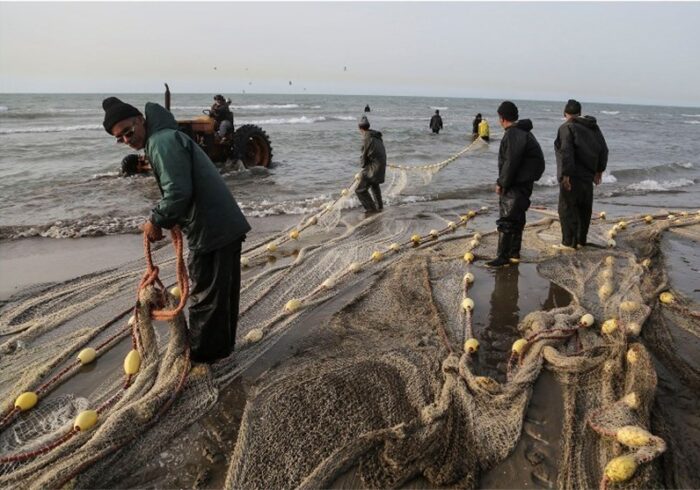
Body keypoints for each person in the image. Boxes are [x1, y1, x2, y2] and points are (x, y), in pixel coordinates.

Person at [102, 96, 251, 363]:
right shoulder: (164, 136)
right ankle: (221, 352)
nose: (126, 139)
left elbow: (178, 192)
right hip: (222, 225)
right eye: (119, 138)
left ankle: (201, 359)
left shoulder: (160, 142)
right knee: (220, 296)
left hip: (212, 229)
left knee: (206, 297)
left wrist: (156, 220)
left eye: (128, 131)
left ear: (140, 120)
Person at [486, 101, 545, 268]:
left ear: (502, 118)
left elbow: (510, 162)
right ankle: (513, 253)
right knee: (517, 217)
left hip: (516, 184)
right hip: (524, 183)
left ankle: (502, 257)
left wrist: (501, 182)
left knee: (507, 218)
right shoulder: (525, 132)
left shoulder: (513, 134)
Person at [554, 99, 609, 250]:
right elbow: (603, 149)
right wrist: (599, 171)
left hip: (572, 177)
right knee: (584, 209)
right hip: (588, 177)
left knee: (567, 208)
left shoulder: (567, 128)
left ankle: (568, 243)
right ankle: (580, 241)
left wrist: (565, 175)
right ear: (580, 113)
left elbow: (566, 152)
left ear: (565, 113)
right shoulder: (593, 127)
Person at [355, 115, 386, 213]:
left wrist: (363, 166)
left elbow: (364, 156)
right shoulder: (375, 135)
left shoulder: (366, 137)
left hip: (374, 167)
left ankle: (371, 209)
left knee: (360, 190)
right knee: (374, 185)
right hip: (381, 165)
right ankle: (379, 207)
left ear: (360, 128)